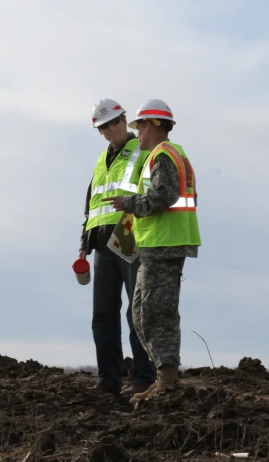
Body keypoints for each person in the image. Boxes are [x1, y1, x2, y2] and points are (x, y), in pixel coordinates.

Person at [102, 99, 201, 404]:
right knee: (142, 313)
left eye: (139, 127)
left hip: (164, 244)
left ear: (152, 125)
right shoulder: (169, 154)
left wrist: (130, 203)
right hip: (157, 245)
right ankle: (164, 378)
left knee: (156, 314)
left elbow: (166, 195)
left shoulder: (164, 154)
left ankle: (168, 382)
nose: (138, 134)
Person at [79, 98, 156, 397]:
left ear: (125, 120)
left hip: (130, 237)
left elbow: (152, 194)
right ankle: (108, 381)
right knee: (103, 315)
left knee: (135, 313)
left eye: (114, 122)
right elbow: (91, 205)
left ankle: (143, 379)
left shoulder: (143, 151)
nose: (110, 129)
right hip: (101, 246)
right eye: (103, 126)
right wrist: (83, 245)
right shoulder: (101, 161)